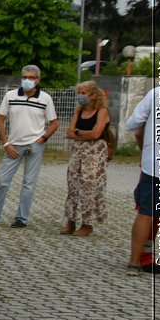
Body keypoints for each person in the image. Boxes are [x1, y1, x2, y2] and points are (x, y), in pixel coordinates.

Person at [0, 64, 58, 228]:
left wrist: (42, 139)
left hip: (35, 145)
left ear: (38, 80)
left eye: (31, 78)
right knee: (2, 181)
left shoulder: (45, 98)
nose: (27, 80)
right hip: (13, 144)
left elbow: (54, 123)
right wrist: (5, 143)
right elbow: (1, 120)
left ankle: (21, 218)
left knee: (29, 184)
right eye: (25, 77)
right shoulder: (10, 95)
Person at [125, 82, 160, 274]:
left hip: (155, 163)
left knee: (146, 213)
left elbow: (133, 123)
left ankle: (134, 263)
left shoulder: (157, 94)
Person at [61, 80, 112, 237]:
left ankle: (87, 224)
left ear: (94, 95)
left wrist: (78, 132)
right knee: (73, 184)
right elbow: (68, 133)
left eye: (83, 93)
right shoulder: (79, 111)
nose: (80, 96)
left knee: (89, 186)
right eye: (79, 93)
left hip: (96, 151)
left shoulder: (102, 111)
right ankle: (70, 222)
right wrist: (84, 134)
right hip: (78, 151)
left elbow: (96, 134)